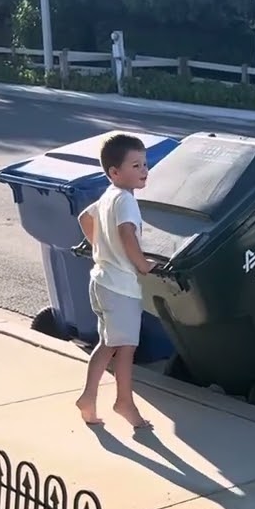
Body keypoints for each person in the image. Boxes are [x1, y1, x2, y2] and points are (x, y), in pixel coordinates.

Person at [75, 133, 157, 429]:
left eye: (144, 163)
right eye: (136, 166)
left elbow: (85, 218)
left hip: (101, 281)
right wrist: (142, 265)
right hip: (121, 287)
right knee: (125, 349)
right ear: (115, 172)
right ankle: (124, 402)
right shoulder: (126, 200)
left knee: (107, 344)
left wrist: (101, 249)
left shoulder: (109, 195)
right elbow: (126, 233)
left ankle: (88, 398)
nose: (144, 170)